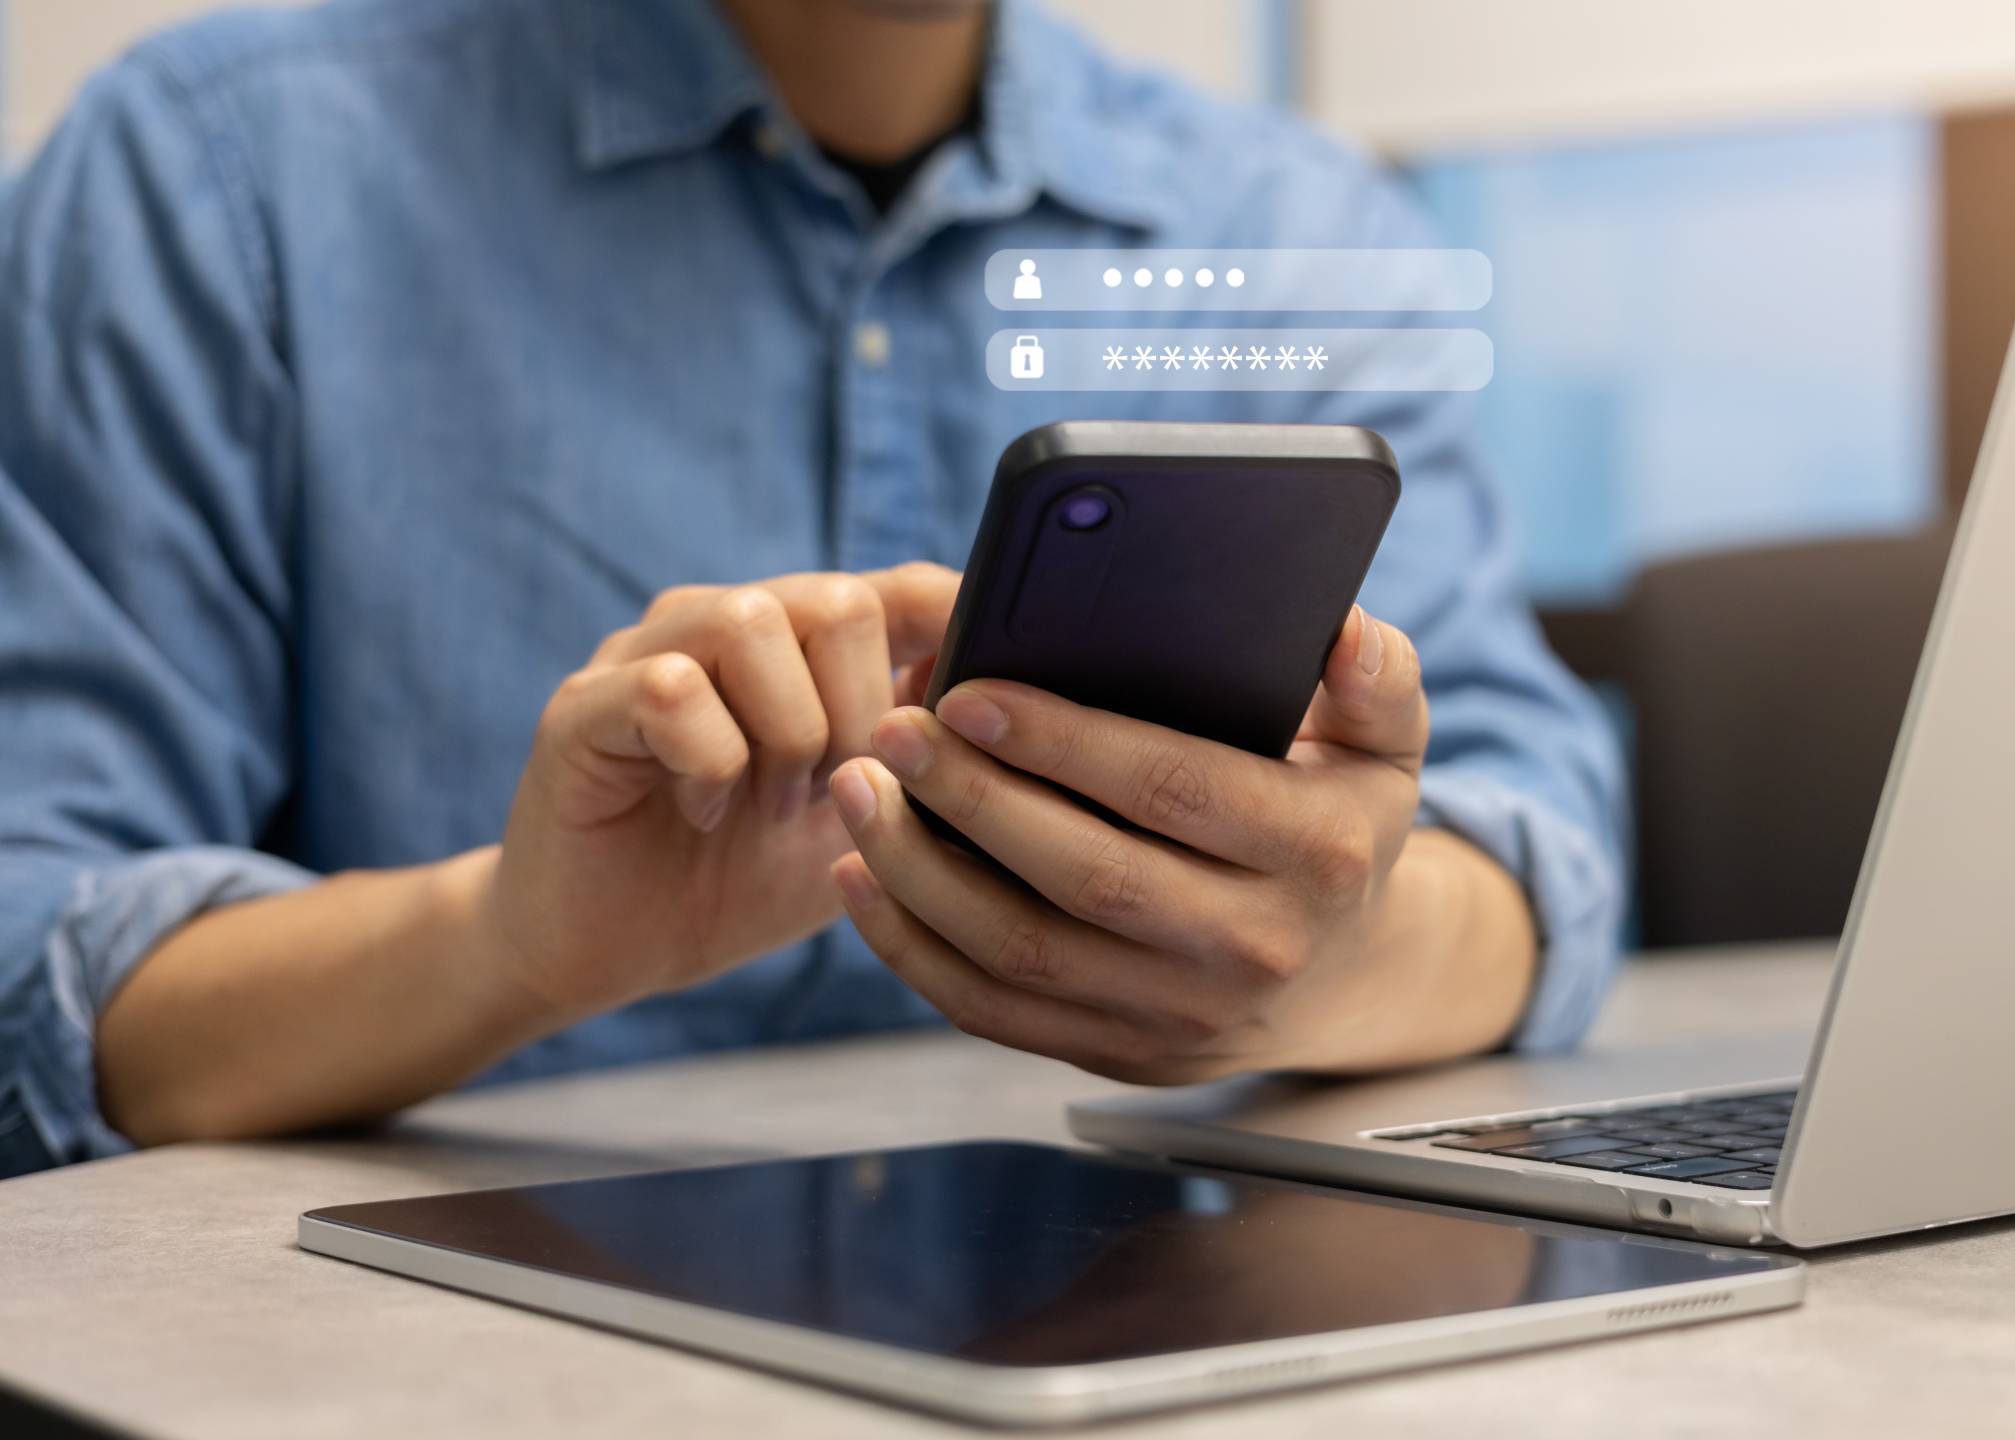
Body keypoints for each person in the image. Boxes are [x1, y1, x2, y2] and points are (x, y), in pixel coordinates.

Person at [0, 0, 1626, 1178]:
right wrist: (511, 941)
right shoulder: (220, 174)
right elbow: (40, 965)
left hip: (1163, 1290)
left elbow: (1538, 844)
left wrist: (1333, 957)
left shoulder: (1289, 222)